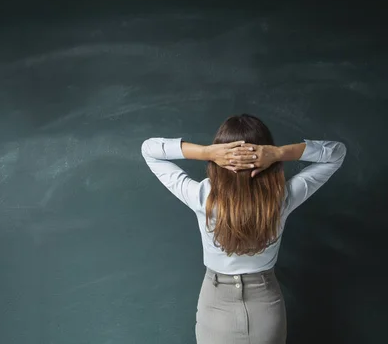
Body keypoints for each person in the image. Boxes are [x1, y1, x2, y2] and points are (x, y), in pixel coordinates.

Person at [141, 114, 347, 344]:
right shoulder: (281, 198)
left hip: (215, 301)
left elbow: (149, 149)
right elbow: (336, 153)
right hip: (265, 303)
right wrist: (279, 153)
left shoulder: (203, 197)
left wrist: (207, 153)